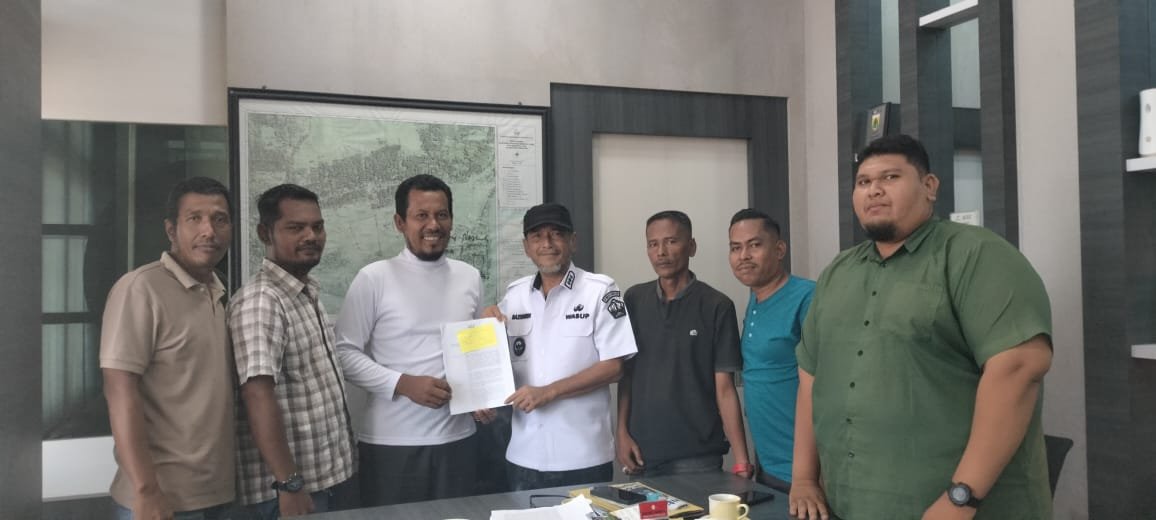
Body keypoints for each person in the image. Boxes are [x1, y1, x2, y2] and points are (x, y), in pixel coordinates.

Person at [790, 134, 1053, 520]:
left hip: (958, 509)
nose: (874, 190)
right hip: (849, 505)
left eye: (890, 177)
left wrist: (961, 498)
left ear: (929, 186)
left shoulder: (976, 255)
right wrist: (803, 478)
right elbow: (811, 376)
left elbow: (1019, 368)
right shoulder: (838, 272)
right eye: (864, 182)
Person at [334, 174, 487, 506]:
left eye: (442, 215)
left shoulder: (470, 277)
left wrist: (483, 397)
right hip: (392, 444)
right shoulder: (373, 278)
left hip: (459, 440)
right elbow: (343, 353)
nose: (433, 225)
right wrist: (403, 384)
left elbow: (474, 351)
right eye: (421, 215)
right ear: (400, 222)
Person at [100, 176, 235, 520]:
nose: (209, 231)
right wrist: (146, 491)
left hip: (219, 495)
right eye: (195, 218)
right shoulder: (140, 289)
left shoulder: (219, 291)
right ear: (171, 230)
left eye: (219, 219)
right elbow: (119, 391)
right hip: (162, 502)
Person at [487, 202, 638, 490]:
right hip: (523, 455)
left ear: (573, 241)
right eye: (537, 236)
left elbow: (614, 367)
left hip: (583, 457)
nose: (547, 243)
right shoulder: (514, 296)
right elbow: (494, 363)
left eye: (556, 234)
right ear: (526, 247)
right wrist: (483, 329)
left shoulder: (600, 290)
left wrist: (549, 391)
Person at [230, 184, 356, 518]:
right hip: (286, 494)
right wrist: (289, 483)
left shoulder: (304, 293)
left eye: (317, 226)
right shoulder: (262, 302)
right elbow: (257, 395)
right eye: (295, 228)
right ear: (265, 233)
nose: (311, 236)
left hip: (320, 484)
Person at [616, 210, 753, 479]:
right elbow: (626, 375)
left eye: (671, 241)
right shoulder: (633, 300)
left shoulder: (717, 305)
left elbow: (725, 389)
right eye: (653, 244)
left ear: (691, 246)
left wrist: (741, 460)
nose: (661, 252)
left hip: (698, 456)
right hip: (643, 452)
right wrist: (621, 432)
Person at [728, 208, 815, 493]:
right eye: (735, 248)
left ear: (779, 250)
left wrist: (812, 476)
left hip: (807, 474)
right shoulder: (755, 300)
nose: (744, 256)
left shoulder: (808, 297)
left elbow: (828, 385)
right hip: (769, 466)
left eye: (754, 245)